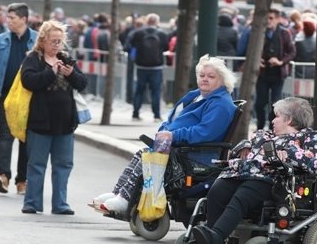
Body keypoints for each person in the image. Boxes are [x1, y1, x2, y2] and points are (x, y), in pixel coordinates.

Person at [191, 97, 317, 244]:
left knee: (242, 196)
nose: (272, 120)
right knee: (217, 191)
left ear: (289, 119)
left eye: (276, 116)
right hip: (242, 173)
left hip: (273, 180)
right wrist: (243, 146)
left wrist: (289, 153)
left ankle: (215, 237)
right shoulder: (264, 135)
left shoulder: (313, 137)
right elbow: (244, 149)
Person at [92, 55, 238, 213]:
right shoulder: (197, 95)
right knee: (142, 153)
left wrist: (173, 135)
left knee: (147, 157)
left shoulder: (221, 104)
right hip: (178, 146)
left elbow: (205, 133)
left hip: (196, 154)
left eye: (211, 76)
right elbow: (173, 116)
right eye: (202, 75)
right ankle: (119, 193)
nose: (204, 79)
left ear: (222, 80)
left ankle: (125, 199)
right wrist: (165, 129)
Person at [20, 20, 87, 215]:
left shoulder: (66, 58)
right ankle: (32, 202)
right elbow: (29, 81)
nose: (56, 45)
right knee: (36, 165)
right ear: (43, 41)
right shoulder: (33, 59)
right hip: (40, 123)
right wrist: (51, 72)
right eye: (53, 41)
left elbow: (83, 83)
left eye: (59, 41)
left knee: (63, 165)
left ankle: (60, 203)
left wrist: (71, 74)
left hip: (65, 124)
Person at [0, 3, 38, 195]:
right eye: (7, 18)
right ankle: (4, 176)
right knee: (5, 134)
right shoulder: (0, 40)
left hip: (28, 97)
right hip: (5, 95)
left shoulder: (36, 40)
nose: (8, 21)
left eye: (12, 18)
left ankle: (22, 180)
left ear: (24, 19)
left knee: (25, 137)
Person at [254, 8, 296, 130]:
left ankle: (273, 129)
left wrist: (281, 62)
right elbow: (250, 49)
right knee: (260, 103)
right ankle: (260, 128)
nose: (268, 21)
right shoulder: (260, 32)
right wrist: (257, 60)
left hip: (277, 75)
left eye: (271, 18)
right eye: (266, 18)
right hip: (262, 74)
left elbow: (292, 52)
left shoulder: (284, 33)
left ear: (278, 19)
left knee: (275, 103)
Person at [131, 13, 169, 121]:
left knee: (139, 90)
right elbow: (166, 47)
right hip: (156, 67)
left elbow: (132, 45)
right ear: (157, 22)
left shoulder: (138, 33)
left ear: (146, 21)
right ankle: (156, 115)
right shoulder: (162, 34)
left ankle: (135, 113)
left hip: (141, 66)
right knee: (156, 91)